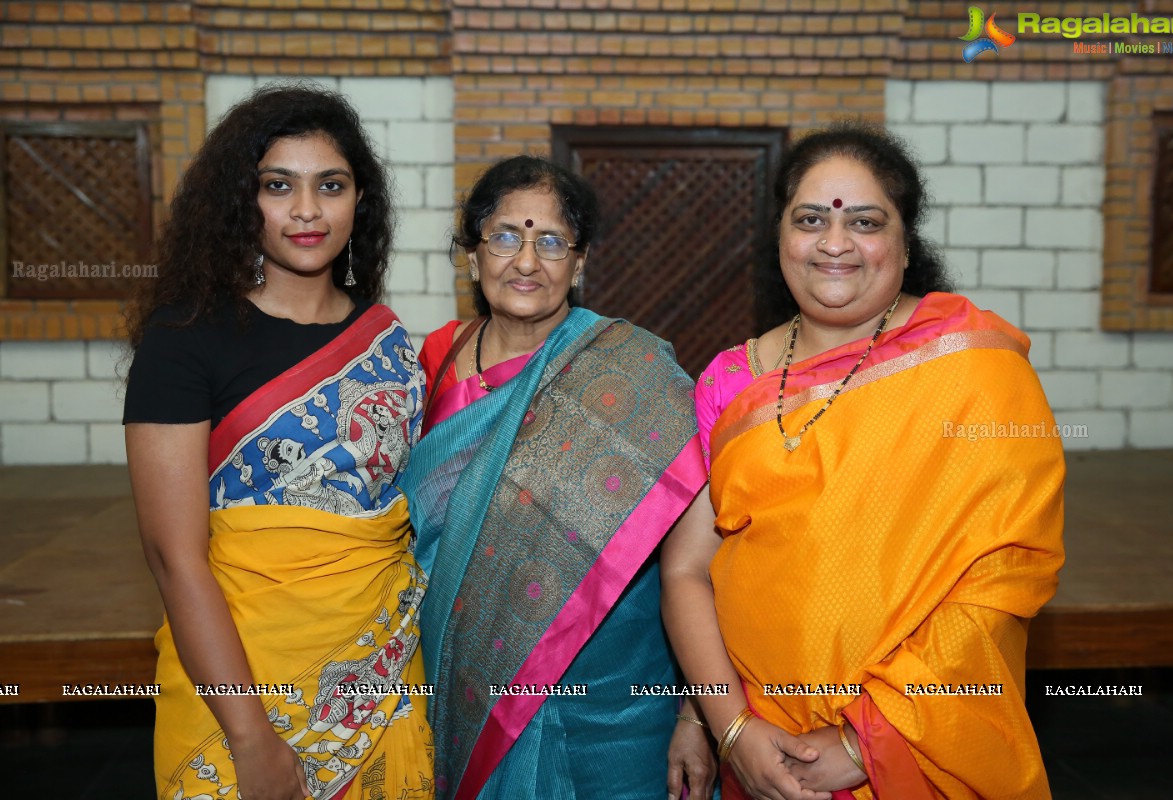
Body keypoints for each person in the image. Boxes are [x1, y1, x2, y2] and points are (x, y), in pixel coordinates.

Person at [662, 122, 1065, 800]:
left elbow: (1003, 577)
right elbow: (688, 569)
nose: (835, 243)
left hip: (921, 746)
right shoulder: (731, 380)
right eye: (810, 219)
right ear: (782, 238)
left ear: (906, 244)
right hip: (764, 751)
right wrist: (725, 726)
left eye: (867, 222)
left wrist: (865, 737)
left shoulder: (974, 369)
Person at [123, 85, 433, 800]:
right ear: (243, 201)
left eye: (330, 185)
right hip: (239, 690)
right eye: (277, 186)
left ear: (360, 201)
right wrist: (251, 738)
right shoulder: (184, 340)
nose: (305, 210)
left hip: (380, 677)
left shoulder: (385, 342)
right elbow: (174, 558)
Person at [399, 155, 715, 800]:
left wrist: (698, 712)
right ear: (471, 255)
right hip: (461, 681)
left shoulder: (634, 371)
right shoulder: (432, 360)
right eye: (505, 237)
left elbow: (705, 561)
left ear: (580, 262)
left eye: (550, 242)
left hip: (613, 698)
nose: (525, 261)